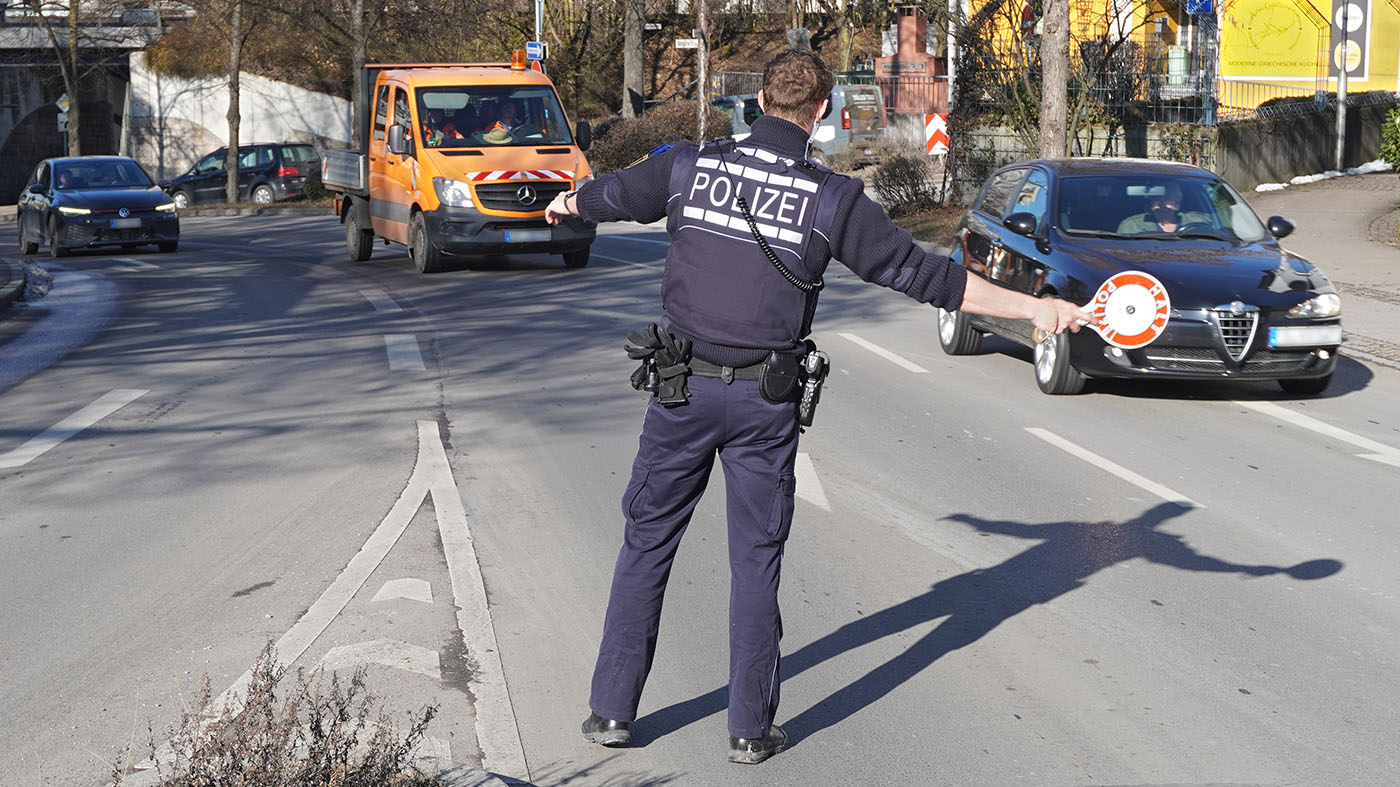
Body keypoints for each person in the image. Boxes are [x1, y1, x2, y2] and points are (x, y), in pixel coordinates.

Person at [545, 49, 1093, 765]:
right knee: (755, 560)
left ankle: (613, 712)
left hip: (681, 392)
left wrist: (567, 202)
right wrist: (1033, 308)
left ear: (759, 100)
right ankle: (748, 729)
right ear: (822, 115)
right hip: (763, 406)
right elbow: (928, 276)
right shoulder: (832, 201)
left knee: (646, 543)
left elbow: (609, 196)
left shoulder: (688, 167)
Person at [1116, 182, 1211, 234]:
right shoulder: (1132, 226)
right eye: (1157, 199)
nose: (1162, 204)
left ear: (1178, 202)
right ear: (1151, 202)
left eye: (1168, 199)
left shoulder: (1199, 221)